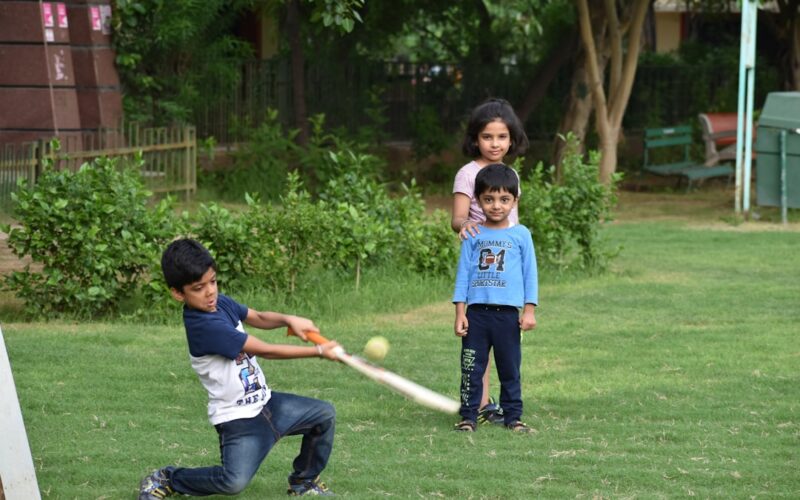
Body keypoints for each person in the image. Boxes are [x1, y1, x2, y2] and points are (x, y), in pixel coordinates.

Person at [138, 238, 341, 499]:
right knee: (232, 482)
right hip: (238, 420)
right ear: (179, 293)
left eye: (212, 281)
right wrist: (319, 352)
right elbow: (264, 349)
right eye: (198, 288)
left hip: (267, 404)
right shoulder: (203, 327)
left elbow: (257, 317)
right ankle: (168, 478)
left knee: (324, 415)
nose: (210, 292)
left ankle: (304, 482)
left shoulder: (219, 304)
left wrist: (288, 319)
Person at [450, 97, 529, 425]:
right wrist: (469, 227)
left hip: (505, 273)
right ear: (475, 139)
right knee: (477, 345)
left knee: (507, 349)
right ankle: (481, 405)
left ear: (512, 139)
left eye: (501, 137)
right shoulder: (467, 174)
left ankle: (498, 405)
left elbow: (515, 223)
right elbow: (457, 219)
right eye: (487, 137)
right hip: (479, 261)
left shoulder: (509, 174)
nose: (494, 143)